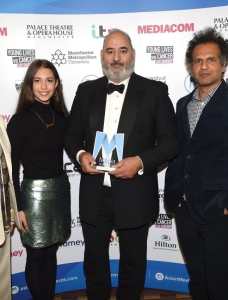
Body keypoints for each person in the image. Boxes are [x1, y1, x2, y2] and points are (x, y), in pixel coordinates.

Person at [64, 28, 180, 300]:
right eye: (110, 51)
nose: (116, 58)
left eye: (123, 50)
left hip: (135, 192)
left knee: (133, 264)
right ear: (102, 56)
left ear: (133, 55)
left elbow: (171, 142)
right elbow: (71, 136)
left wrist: (139, 162)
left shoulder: (154, 91)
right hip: (95, 193)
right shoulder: (86, 91)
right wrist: (81, 155)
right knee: (93, 262)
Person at [164, 27, 228, 300]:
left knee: (220, 280)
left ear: (223, 64)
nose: (204, 66)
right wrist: (175, 196)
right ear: (190, 67)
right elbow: (180, 153)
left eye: (211, 60)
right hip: (185, 207)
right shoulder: (181, 104)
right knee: (197, 279)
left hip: (218, 207)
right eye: (198, 61)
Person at [7, 59, 71, 300]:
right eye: (37, 80)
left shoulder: (62, 116)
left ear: (56, 85)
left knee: (52, 252)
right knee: (35, 255)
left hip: (60, 191)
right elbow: (12, 169)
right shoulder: (20, 121)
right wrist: (18, 208)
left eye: (49, 80)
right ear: (29, 85)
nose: (43, 86)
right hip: (33, 197)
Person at [0, 115, 20, 300]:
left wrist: (11, 214)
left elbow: (6, 174)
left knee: (3, 286)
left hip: (2, 223)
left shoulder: (0, 122)